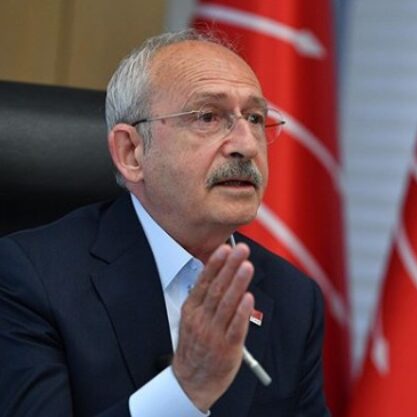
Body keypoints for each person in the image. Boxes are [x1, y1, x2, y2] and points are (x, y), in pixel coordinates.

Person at [0, 30, 330, 417]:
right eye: (208, 117)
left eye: (255, 118)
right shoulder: (29, 278)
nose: (247, 145)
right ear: (131, 152)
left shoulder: (293, 298)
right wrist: (185, 390)